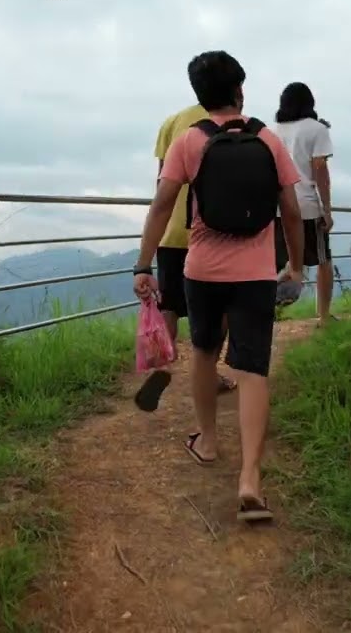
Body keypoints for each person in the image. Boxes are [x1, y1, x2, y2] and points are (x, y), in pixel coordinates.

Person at [132, 50, 305, 522]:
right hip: (255, 275)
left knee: (205, 354)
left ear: (199, 96)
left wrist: (143, 264)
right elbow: (290, 209)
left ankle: (207, 443)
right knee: (253, 371)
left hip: (201, 270)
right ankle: (250, 478)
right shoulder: (267, 138)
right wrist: (295, 267)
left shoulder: (189, 141)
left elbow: (162, 205)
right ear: (240, 90)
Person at [149, 105, 237, 395]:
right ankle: (208, 374)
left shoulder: (172, 122)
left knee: (169, 306)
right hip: (213, 232)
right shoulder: (233, 123)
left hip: (172, 230)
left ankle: (161, 369)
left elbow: (163, 181)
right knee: (219, 308)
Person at [272, 82, 336, 325]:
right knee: (323, 260)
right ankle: (323, 315)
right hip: (306, 206)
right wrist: (327, 210)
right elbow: (320, 170)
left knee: (275, 263)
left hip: (277, 207)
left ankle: (269, 315)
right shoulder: (317, 129)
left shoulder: (273, 131)